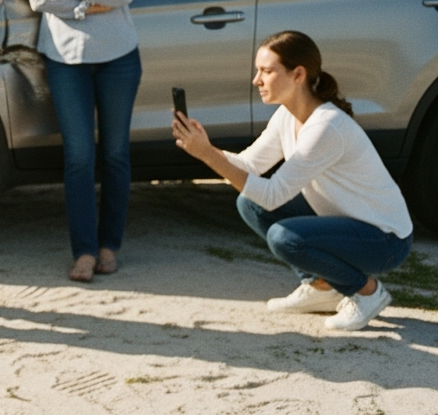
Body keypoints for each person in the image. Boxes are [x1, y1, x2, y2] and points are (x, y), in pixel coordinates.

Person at [172, 31, 413, 331]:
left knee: (284, 237)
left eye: (267, 71)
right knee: (250, 203)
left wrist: (208, 155)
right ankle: (321, 288)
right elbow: (249, 165)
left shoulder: (326, 126)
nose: (256, 80)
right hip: (350, 223)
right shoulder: (287, 116)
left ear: (298, 74)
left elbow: (273, 194)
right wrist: (204, 148)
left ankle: (367, 292)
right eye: (257, 71)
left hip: (386, 240)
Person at [27, 0, 142, 283]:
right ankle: (84, 251)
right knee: (78, 157)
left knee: (114, 155)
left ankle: (110, 245)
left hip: (118, 59)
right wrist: (90, 6)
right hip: (65, 61)